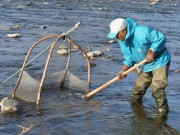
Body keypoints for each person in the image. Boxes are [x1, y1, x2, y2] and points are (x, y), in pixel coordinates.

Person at [107, 18, 171, 114]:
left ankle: (163, 115)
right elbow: (129, 57)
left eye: (117, 34)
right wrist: (124, 70)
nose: (116, 37)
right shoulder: (122, 41)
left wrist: (151, 51)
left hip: (159, 61)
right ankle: (137, 113)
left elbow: (160, 38)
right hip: (145, 65)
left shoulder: (142, 32)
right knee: (137, 90)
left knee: (157, 89)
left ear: (123, 31)